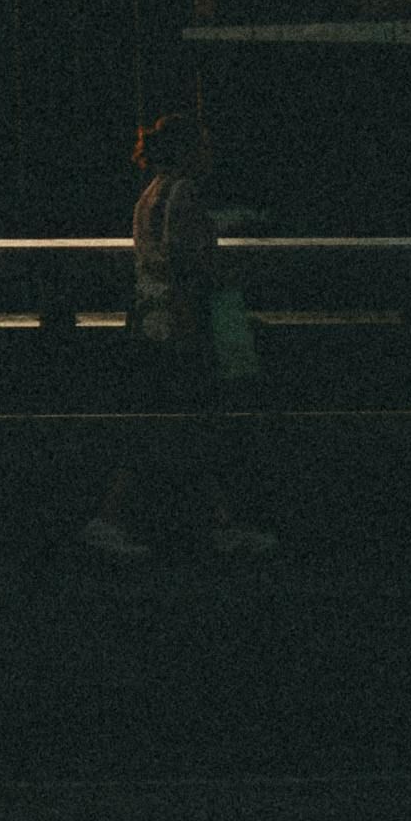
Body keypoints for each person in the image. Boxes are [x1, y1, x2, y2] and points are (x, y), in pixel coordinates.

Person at [85, 113, 274, 562]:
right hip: (182, 328)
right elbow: (191, 264)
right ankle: (120, 521)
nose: (210, 155)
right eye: (203, 146)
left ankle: (214, 522)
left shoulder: (151, 195)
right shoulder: (185, 194)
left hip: (154, 324)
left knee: (170, 429)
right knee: (188, 427)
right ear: (188, 151)